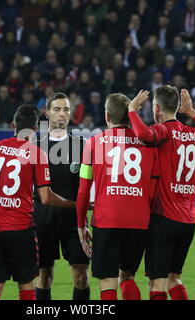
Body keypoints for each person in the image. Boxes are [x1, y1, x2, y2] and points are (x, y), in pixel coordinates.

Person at [0, 104, 76, 300]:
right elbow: (45, 197)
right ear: (35, 129)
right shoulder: (36, 153)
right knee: (26, 286)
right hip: (19, 228)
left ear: (13, 124)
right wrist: (76, 204)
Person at [128, 86, 195, 300]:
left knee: (158, 283)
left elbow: (144, 134)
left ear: (156, 108)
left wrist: (131, 111)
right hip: (188, 221)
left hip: (163, 218)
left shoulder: (163, 131)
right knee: (175, 278)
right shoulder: (194, 133)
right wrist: (192, 113)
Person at [76, 93, 159, 300]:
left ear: (107, 116)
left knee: (107, 281)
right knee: (127, 277)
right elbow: (154, 188)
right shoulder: (148, 144)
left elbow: (83, 190)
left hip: (107, 220)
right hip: (138, 222)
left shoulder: (93, 144)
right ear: (131, 115)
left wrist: (80, 224)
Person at [33, 93, 91, 300]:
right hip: (43, 217)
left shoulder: (83, 145)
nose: (62, 114)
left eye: (66, 109)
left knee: (81, 276)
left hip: (74, 220)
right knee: (44, 276)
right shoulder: (35, 144)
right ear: (47, 113)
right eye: (56, 109)